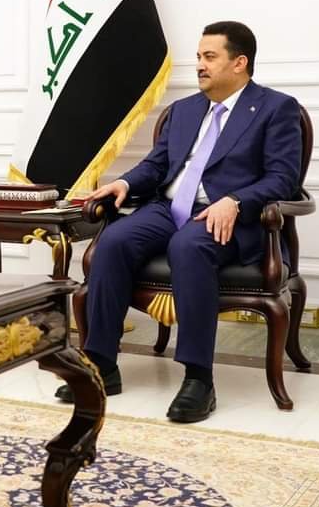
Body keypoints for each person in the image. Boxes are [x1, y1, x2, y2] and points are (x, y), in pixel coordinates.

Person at [56, 21, 301, 423]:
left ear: (239, 63)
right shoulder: (184, 110)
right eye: (199, 56)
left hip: (226, 218)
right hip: (167, 209)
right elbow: (156, 165)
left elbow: (283, 178)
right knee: (114, 241)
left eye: (210, 57)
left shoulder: (276, 109)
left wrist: (236, 201)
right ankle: (101, 363)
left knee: (188, 246)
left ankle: (199, 379)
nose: (200, 65)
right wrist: (123, 182)